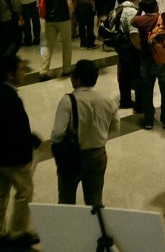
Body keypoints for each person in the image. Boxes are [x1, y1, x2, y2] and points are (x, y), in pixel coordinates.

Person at [0, 54, 40, 248]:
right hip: (12, 158)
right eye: (21, 70)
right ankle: (18, 233)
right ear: (9, 75)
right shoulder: (11, 99)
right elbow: (17, 130)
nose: (24, 73)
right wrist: (31, 141)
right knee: (24, 192)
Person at [51, 60, 120, 206]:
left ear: (78, 80)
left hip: (72, 156)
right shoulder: (108, 101)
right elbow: (115, 128)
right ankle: (94, 227)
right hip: (97, 155)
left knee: (66, 200)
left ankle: (71, 228)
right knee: (95, 201)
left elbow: (57, 134)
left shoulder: (68, 101)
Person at [132, 0, 165, 130]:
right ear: (156, 6)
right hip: (164, 61)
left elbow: (131, 21)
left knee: (147, 92)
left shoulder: (139, 20)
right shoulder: (164, 19)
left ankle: (148, 120)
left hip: (146, 61)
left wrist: (139, 10)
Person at [41, 0, 75, 80]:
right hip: (63, 19)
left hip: (50, 20)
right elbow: (69, 4)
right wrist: (71, 17)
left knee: (47, 45)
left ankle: (44, 70)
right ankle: (66, 69)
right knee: (66, 45)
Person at [114, 0, 143, 109]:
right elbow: (133, 34)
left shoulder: (119, 7)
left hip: (120, 45)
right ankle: (139, 103)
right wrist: (140, 48)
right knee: (137, 74)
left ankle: (125, 100)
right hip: (130, 47)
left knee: (124, 74)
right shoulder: (132, 12)